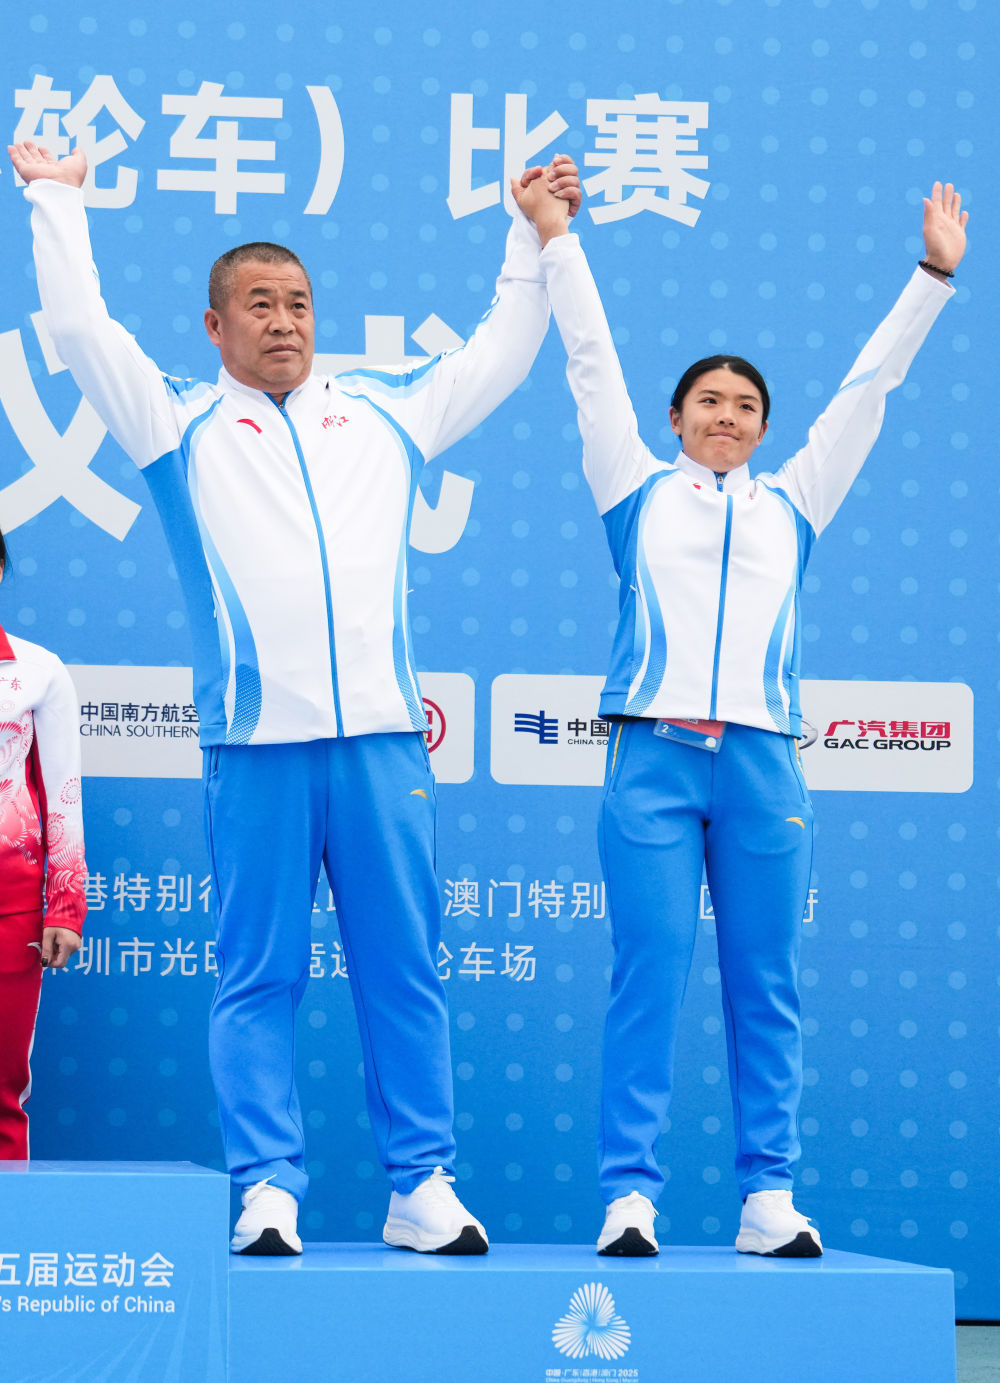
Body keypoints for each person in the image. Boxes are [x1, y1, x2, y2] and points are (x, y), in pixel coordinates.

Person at [10, 139, 580, 1255]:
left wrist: (527, 235)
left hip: (380, 745)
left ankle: (421, 1185)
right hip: (255, 748)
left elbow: (503, 355)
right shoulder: (175, 422)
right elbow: (80, 333)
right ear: (214, 326)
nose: (284, 322)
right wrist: (55, 203)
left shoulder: (384, 412)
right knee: (257, 975)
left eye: (300, 304)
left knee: (402, 971)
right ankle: (267, 1185)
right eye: (260, 305)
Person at [512, 173, 968, 1257]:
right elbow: (590, 362)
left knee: (768, 984)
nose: (727, 415)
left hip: (764, 767)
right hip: (653, 761)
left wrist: (932, 276)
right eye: (708, 401)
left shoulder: (797, 502)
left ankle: (769, 1196)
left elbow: (867, 389)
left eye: (746, 405)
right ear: (675, 420)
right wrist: (556, 239)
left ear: (765, 429)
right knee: (648, 978)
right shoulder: (632, 488)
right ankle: (629, 1196)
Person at [0, 524, 86, 1157]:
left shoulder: (37, 671)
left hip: (9, 909)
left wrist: (65, 906)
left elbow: (63, 794)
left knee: (3, 1090)